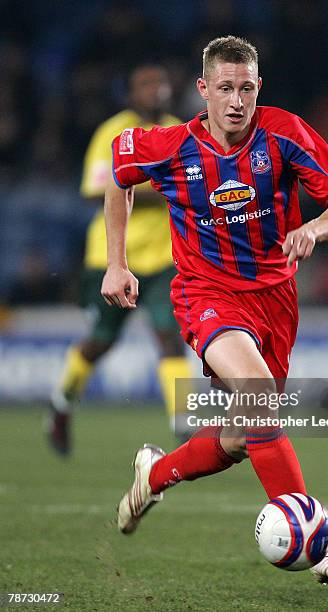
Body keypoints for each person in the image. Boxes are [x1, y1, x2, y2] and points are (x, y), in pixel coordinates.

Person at [101, 36, 328, 584]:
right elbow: (118, 174)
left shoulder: (285, 133)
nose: (237, 100)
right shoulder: (172, 145)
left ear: (259, 88)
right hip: (205, 294)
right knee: (259, 396)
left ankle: (157, 473)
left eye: (246, 87)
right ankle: (318, 536)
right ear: (204, 90)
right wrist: (117, 263)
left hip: (275, 301)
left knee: (246, 433)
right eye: (225, 88)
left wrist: (313, 227)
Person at [48, 64, 193, 454]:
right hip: (112, 258)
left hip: (165, 259)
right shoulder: (113, 132)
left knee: (170, 339)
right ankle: (61, 405)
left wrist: (136, 183)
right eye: (145, 84)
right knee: (100, 342)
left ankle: (182, 427)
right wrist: (159, 190)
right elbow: (97, 191)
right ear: (131, 93)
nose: (156, 89)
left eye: (160, 82)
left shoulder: (183, 131)